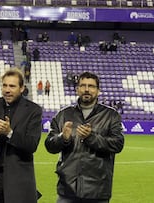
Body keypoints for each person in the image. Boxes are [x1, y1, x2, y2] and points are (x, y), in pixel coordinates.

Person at [45, 72, 124, 203]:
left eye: (91, 86)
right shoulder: (63, 115)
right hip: (67, 189)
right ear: (77, 90)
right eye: (83, 86)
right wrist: (62, 138)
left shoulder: (111, 116)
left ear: (98, 91)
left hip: (97, 191)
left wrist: (91, 137)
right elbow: (49, 145)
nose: (87, 89)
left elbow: (117, 144)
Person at [0, 68, 42, 203]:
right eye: (4, 85)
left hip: (19, 180)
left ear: (22, 88)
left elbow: (31, 145)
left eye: (12, 86)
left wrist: (10, 133)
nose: (7, 90)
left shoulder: (34, 110)